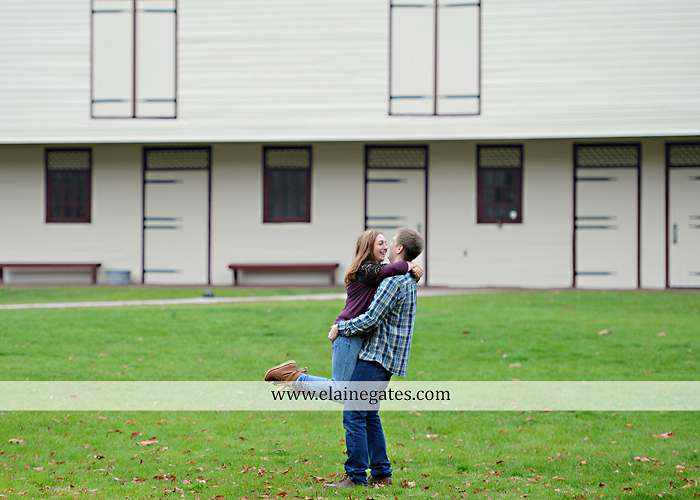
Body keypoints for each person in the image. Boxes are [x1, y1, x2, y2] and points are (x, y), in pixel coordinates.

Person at [268, 228, 425, 489]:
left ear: (399, 249)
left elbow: (371, 318)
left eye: (392, 242)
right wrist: (412, 266)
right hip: (388, 357)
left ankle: (355, 477)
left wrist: (340, 328)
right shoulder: (403, 275)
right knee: (369, 413)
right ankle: (381, 472)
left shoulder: (394, 279)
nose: (388, 246)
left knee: (352, 410)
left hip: (377, 355)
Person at [264, 229, 422, 387]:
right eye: (380, 243)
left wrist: (410, 267)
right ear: (368, 247)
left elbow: (391, 269)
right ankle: (293, 377)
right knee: (342, 390)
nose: (386, 247)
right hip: (347, 331)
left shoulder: (378, 273)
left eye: (387, 243)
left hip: (357, 332)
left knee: (349, 392)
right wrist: (411, 264)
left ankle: (295, 378)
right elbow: (393, 268)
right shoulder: (364, 269)